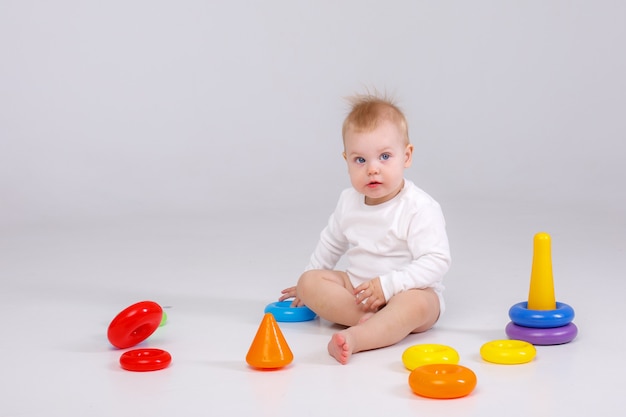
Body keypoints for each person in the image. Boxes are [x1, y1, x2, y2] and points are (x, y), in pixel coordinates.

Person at [279, 93, 451, 364]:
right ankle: (371, 322)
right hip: (357, 291)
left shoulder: (419, 207)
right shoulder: (348, 201)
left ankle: (358, 338)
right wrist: (307, 285)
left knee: (417, 304)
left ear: (406, 156)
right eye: (360, 160)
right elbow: (331, 243)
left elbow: (437, 261)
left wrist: (389, 285)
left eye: (385, 156)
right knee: (310, 280)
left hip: (407, 291)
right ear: (346, 159)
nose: (373, 169)